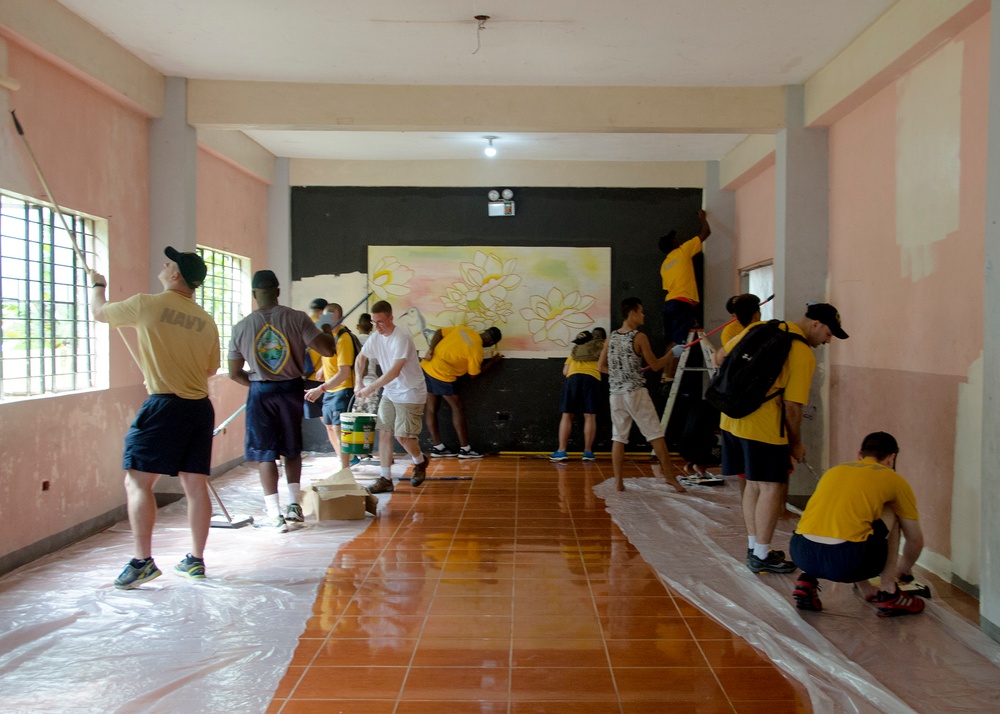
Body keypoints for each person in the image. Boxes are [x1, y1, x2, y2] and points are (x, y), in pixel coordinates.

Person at [90, 248, 220, 589]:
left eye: (169, 263)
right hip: (199, 406)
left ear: (176, 276)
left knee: (136, 481)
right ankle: (195, 560)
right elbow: (211, 369)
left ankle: (142, 561)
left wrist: (97, 286)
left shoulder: (147, 303)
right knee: (195, 484)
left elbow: (100, 314)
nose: (164, 265)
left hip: (164, 404)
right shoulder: (206, 320)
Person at [715, 302, 849, 574]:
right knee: (772, 488)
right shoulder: (801, 353)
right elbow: (792, 406)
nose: (829, 339)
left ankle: (755, 547)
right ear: (815, 324)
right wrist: (796, 443)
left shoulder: (760, 328)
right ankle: (761, 555)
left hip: (731, 417)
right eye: (828, 333)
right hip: (763, 426)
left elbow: (719, 357)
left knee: (753, 485)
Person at [228, 271, 336, 531]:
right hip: (290, 389)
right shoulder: (297, 318)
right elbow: (328, 350)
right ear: (277, 291)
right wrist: (325, 329)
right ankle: (294, 506)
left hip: (260, 391)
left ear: (254, 294)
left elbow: (233, 372)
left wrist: (257, 385)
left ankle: (273, 514)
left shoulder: (241, 327)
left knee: (266, 453)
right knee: (291, 448)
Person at [789, 432, 927, 617]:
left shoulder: (834, 471)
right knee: (892, 510)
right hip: (847, 561)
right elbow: (915, 539)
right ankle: (889, 592)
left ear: (859, 454)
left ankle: (807, 581)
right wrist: (904, 570)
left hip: (801, 553)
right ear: (892, 458)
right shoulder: (893, 479)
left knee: (845, 520)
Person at [598, 298, 686, 493]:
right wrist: (672, 353)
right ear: (632, 312)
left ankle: (619, 482)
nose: (644, 315)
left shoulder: (611, 337)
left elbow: (601, 367)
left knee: (618, 437)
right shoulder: (639, 337)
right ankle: (671, 478)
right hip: (635, 393)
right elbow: (655, 365)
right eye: (641, 311)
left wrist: (620, 373)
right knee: (656, 435)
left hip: (616, 394)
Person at [353, 300, 430, 489]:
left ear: (390, 318)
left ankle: (420, 462)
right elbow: (361, 357)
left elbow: (394, 371)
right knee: (385, 432)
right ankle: (385, 479)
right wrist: (358, 381)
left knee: (403, 437)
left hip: (410, 391)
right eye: (373, 322)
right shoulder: (375, 337)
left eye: (380, 321)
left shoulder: (401, 337)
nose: (377, 326)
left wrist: (370, 388)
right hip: (391, 391)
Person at [421, 325, 503, 459]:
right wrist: (493, 362)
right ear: (491, 343)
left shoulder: (463, 329)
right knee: (457, 407)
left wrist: (431, 349)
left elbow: (439, 332)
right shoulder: (476, 350)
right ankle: (465, 449)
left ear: (485, 331)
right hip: (442, 374)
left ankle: (438, 447)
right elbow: (473, 374)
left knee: (431, 408)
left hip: (427, 367)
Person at [304, 303, 358, 471]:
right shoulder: (327, 337)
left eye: (330, 317)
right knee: (329, 426)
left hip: (341, 389)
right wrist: (322, 369)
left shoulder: (343, 338)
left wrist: (320, 389)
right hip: (330, 389)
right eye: (324, 316)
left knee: (339, 429)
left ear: (339, 318)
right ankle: (343, 461)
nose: (325, 320)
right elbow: (330, 358)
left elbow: (343, 373)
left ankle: (345, 469)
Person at [659, 209, 711, 380]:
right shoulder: (683, 251)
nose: (678, 239)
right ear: (674, 243)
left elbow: (668, 288)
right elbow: (706, 233)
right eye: (675, 239)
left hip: (669, 303)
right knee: (679, 342)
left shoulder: (665, 265)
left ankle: (665, 373)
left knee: (671, 342)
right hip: (682, 303)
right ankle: (670, 375)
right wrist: (702, 219)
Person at [550, 328, 606, 462]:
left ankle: (561, 450)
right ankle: (587, 452)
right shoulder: (603, 347)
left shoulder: (578, 346)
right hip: (592, 379)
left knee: (567, 415)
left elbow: (565, 371)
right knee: (590, 416)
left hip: (573, 379)